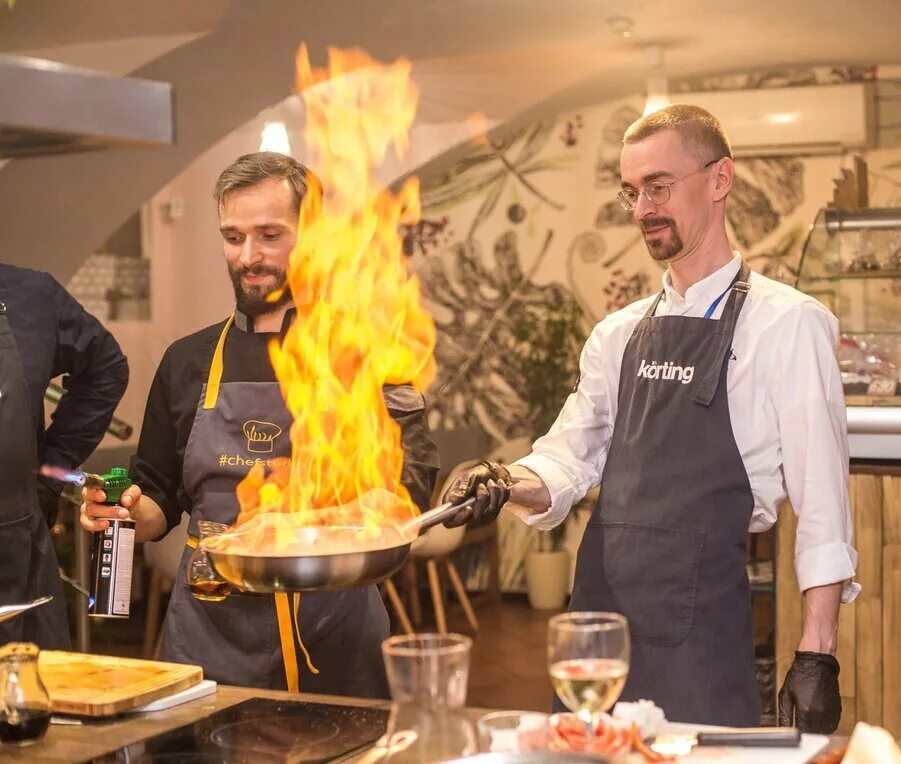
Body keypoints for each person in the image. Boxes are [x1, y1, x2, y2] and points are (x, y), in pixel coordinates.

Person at [442, 105, 858, 733]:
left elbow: (822, 504)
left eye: (659, 187)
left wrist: (817, 652)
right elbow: (567, 458)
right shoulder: (617, 335)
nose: (642, 210)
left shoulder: (789, 324)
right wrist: (503, 483)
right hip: (596, 641)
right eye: (631, 193)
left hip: (701, 642)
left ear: (720, 180)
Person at [80, 152, 439, 697]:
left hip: (333, 629)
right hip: (210, 636)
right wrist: (125, 512)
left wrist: (346, 517)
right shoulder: (187, 361)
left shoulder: (366, 353)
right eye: (233, 236)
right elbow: (157, 497)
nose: (248, 256)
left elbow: (412, 482)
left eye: (270, 234)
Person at [0, 264, 129, 648]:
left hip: (14, 569)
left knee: (32, 698)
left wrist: (49, 472)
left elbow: (105, 367)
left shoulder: (30, 294)